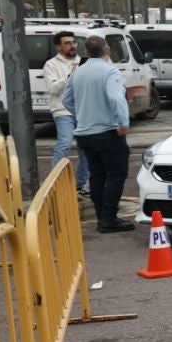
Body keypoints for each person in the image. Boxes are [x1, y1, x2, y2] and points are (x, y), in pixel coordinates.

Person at [61, 35, 133, 233]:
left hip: (85, 132)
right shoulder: (110, 72)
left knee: (97, 174)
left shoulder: (78, 72)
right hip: (107, 130)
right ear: (107, 50)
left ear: (86, 52)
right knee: (116, 173)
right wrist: (123, 123)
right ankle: (109, 218)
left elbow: (66, 100)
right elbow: (116, 98)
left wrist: (82, 113)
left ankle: (102, 216)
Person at [43, 31, 91, 197]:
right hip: (62, 109)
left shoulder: (82, 62)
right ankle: (55, 182)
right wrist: (70, 76)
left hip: (82, 109)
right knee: (65, 142)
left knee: (86, 147)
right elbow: (53, 89)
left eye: (74, 42)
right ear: (58, 46)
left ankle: (81, 184)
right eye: (67, 43)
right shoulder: (51, 64)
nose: (72, 46)